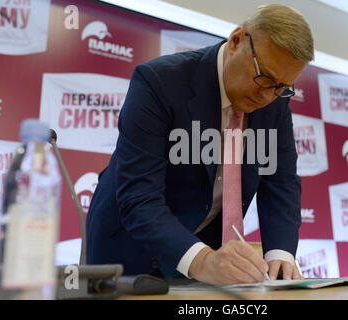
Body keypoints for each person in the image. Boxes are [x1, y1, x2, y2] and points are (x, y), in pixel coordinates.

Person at [86, 4, 314, 285]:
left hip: (202, 252)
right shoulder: (159, 82)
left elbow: (281, 183)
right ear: (236, 41)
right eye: (264, 77)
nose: (268, 95)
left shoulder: (276, 101)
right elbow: (139, 196)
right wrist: (203, 260)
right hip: (128, 247)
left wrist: (281, 255)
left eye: (281, 86)